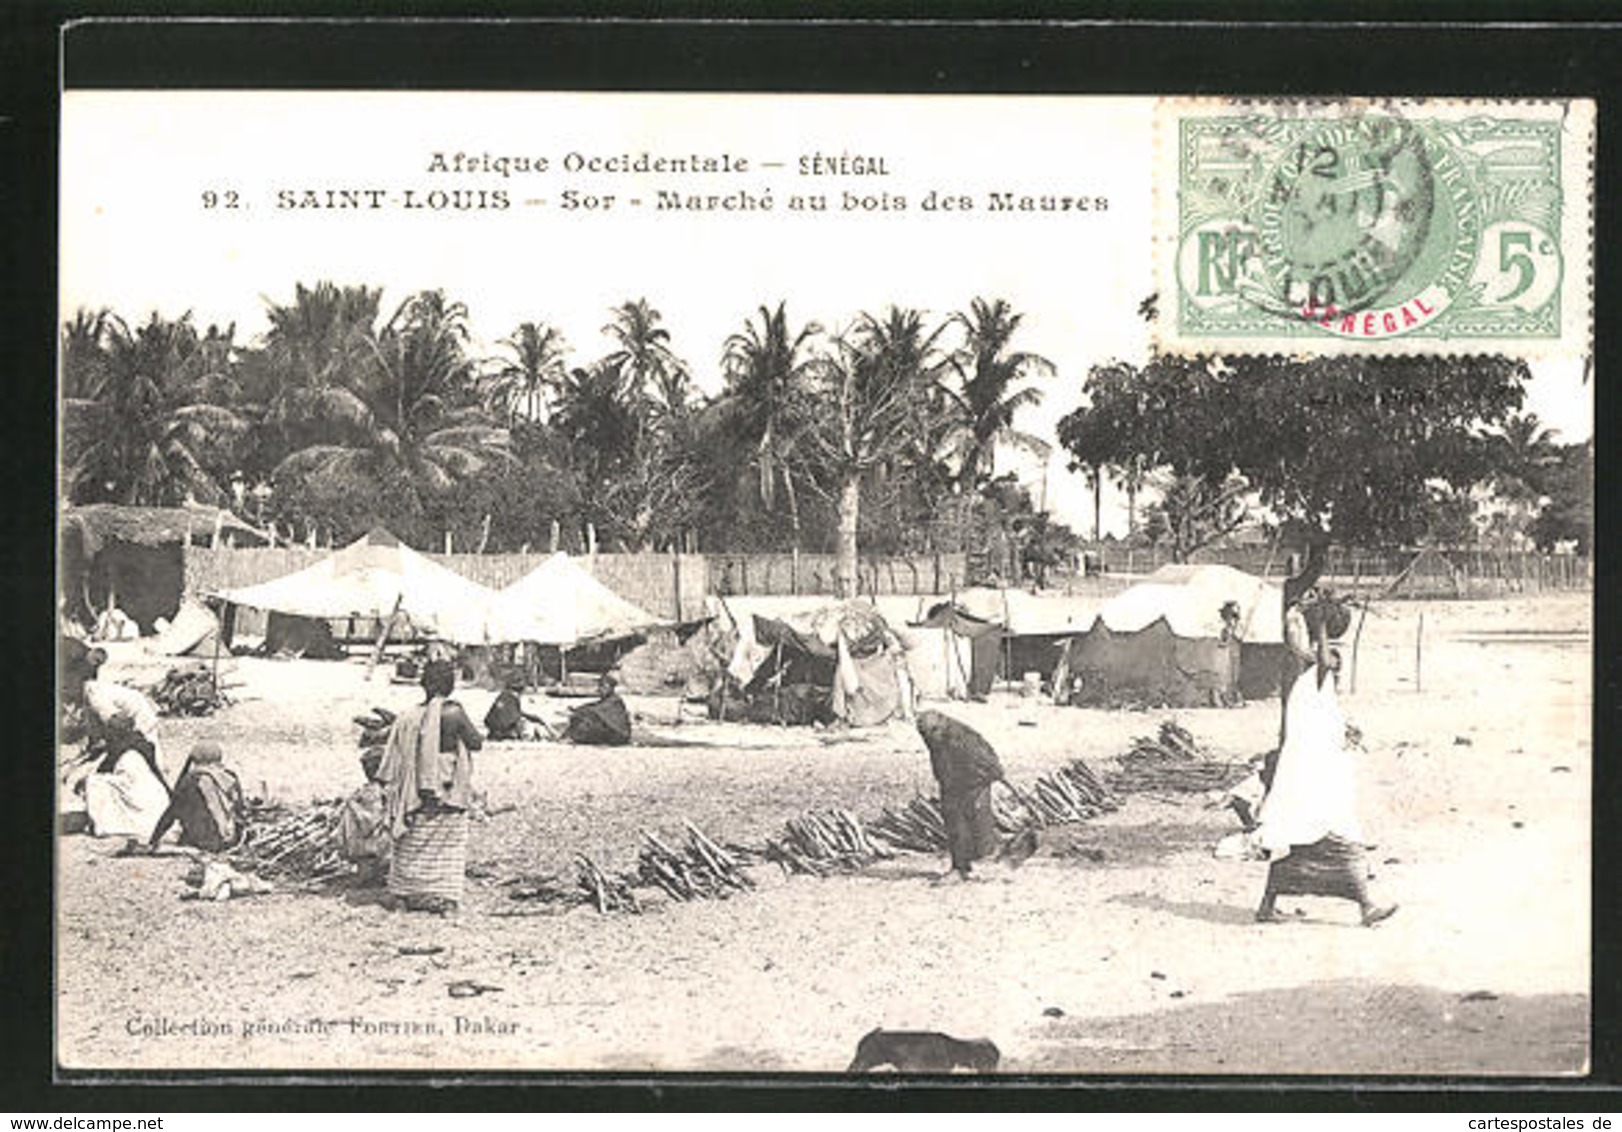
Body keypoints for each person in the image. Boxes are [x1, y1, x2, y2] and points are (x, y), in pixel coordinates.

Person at [1251, 601, 1396, 927]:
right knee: (1345, 845)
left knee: (1294, 849)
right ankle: (1366, 906)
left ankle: (1267, 906)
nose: (1336, 665)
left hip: (1311, 772)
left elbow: (1323, 720)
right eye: (1333, 658)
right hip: (1314, 777)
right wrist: (1322, 626)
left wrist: (1345, 730)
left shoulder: (1313, 685)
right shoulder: (1312, 678)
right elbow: (1314, 654)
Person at [375, 659, 482, 914]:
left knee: (412, 839)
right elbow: (475, 742)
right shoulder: (454, 712)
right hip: (447, 786)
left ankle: (402, 896)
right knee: (448, 843)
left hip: (413, 789)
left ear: (423, 684)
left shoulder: (408, 716)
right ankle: (446, 899)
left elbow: (394, 756)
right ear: (449, 685)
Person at [915, 710, 1008, 883]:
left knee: (979, 823)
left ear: (940, 727)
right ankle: (960, 867)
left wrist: (977, 785)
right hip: (952, 784)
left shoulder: (963, 739)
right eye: (924, 734)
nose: (928, 737)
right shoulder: (936, 737)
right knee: (955, 825)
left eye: (931, 733)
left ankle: (986, 865)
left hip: (972, 783)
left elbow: (991, 766)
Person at [80, 713, 172, 841]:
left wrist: (89, 779)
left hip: (144, 804)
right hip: (159, 798)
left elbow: (113, 775)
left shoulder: (123, 750)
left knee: (94, 782)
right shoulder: (141, 743)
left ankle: (104, 824)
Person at [148, 741, 244, 852]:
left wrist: (154, 839)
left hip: (203, 842)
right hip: (231, 840)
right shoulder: (230, 777)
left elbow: (171, 813)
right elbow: (239, 809)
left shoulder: (192, 779)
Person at [563, 672, 632, 746]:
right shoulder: (607, 699)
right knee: (584, 720)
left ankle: (571, 737)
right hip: (614, 732)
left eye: (604, 687)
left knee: (586, 724)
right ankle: (569, 736)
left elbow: (596, 709)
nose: (600, 689)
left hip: (619, 735)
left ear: (611, 688)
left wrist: (578, 711)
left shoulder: (614, 701)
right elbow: (594, 705)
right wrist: (577, 709)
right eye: (600, 686)